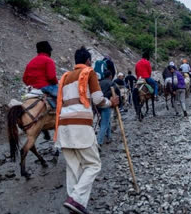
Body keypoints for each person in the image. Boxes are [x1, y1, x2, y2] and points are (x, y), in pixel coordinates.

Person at [54, 46, 119, 214]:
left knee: (73, 167)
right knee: (93, 164)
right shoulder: (89, 73)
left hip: (63, 126)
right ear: (89, 61)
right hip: (80, 125)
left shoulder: (66, 76)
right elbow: (98, 100)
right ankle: (76, 199)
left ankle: (73, 203)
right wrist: (111, 102)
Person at [23, 41, 58, 107]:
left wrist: (32, 84)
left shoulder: (31, 62)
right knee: (63, 97)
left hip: (32, 89)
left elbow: (24, 78)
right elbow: (52, 77)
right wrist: (56, 82)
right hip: (45, 87)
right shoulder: (48, 60)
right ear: (48, 51)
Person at [98, 70, 119, 146]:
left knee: (107, 121)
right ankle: (99, 142)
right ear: (110, 76)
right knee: (104, 124)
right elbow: (117, 90)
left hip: (98, 104)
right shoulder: (111, 83)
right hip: (106, 104)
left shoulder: (100, 82)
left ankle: (109, 136)